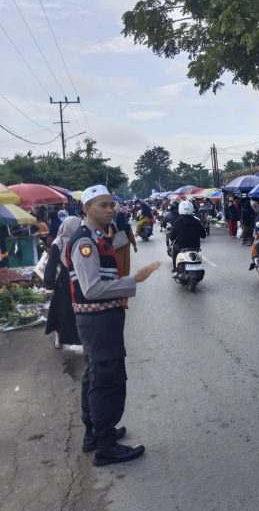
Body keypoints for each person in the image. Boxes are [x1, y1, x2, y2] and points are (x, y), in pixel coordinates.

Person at [66, 185, 160, 466]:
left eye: (111, 205)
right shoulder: (85, 241)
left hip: (102, 319)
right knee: (107, 379)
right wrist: (135, 280)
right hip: (98, 320)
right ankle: (105, 445)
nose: (109, 210)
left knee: (95, 375)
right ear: (87, 208)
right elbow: (91, 289)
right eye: (102, 205)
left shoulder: (98, 236)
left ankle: (95, 433)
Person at [44, 216, 82, 349]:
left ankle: (62, 338)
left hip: (66, 282)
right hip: (73, 281)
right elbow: (52, 265)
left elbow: (51, 265)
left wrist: (49, 285)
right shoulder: (75, 241)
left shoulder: (60, 242)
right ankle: (63, 339)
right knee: (70, 311)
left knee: (63, 311)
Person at [170, 200, 207, 274]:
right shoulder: (197, 222)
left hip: (181, 246)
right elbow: (204, 235)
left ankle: (175, 269)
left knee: (174, 249)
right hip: (195, 247)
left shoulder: (177, 222)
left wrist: (172, 237)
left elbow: (172, 237)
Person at [110, 204, 137, 276]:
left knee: (119, 264)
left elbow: (110, 238)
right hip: (126, 247)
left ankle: (120, 278)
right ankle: (125, 277)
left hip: (117, 249)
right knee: (126, 264)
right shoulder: (127, 226)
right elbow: (131, 236)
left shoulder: (112, 226)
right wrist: (134, 245)